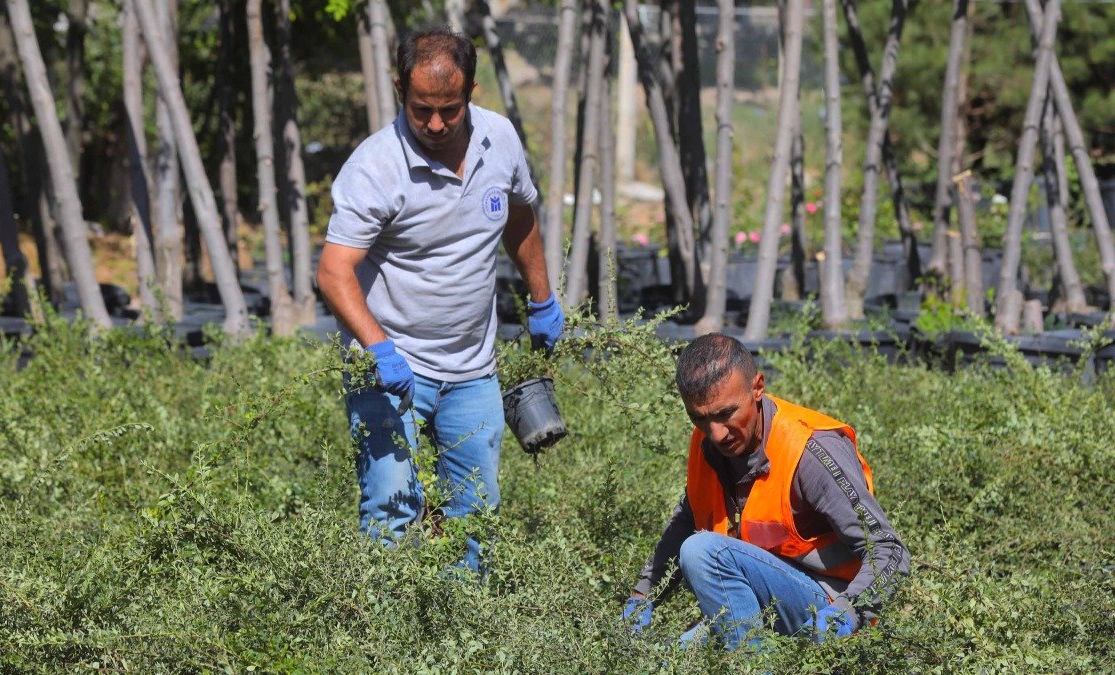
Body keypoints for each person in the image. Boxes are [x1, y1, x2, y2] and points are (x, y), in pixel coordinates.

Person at [316, 26, 562, 573]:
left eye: (449, 110)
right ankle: (383, 621)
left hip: (472, 370)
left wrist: (542, 299)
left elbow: (520, 216)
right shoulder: (375, 167)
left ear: (471, 90)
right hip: (390, 369)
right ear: (399, 89)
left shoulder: (500, 140)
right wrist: (379, 349)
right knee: (391, 511)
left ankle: (462, 616)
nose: (434, 124)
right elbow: (334, 272)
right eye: (421, 109)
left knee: (476, 517)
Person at [622, 333, 909, 648]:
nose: (716, 434)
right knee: (671, 660)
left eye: (725, 414)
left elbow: (889, 551)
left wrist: (846, 612)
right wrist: (642, 597)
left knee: (702, 551)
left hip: (828, 603)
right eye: (699, 418)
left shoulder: (809, 451)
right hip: (762, 597)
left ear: (757, 387)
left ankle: (754, 665)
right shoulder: (709, 445)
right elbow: (686, 520)